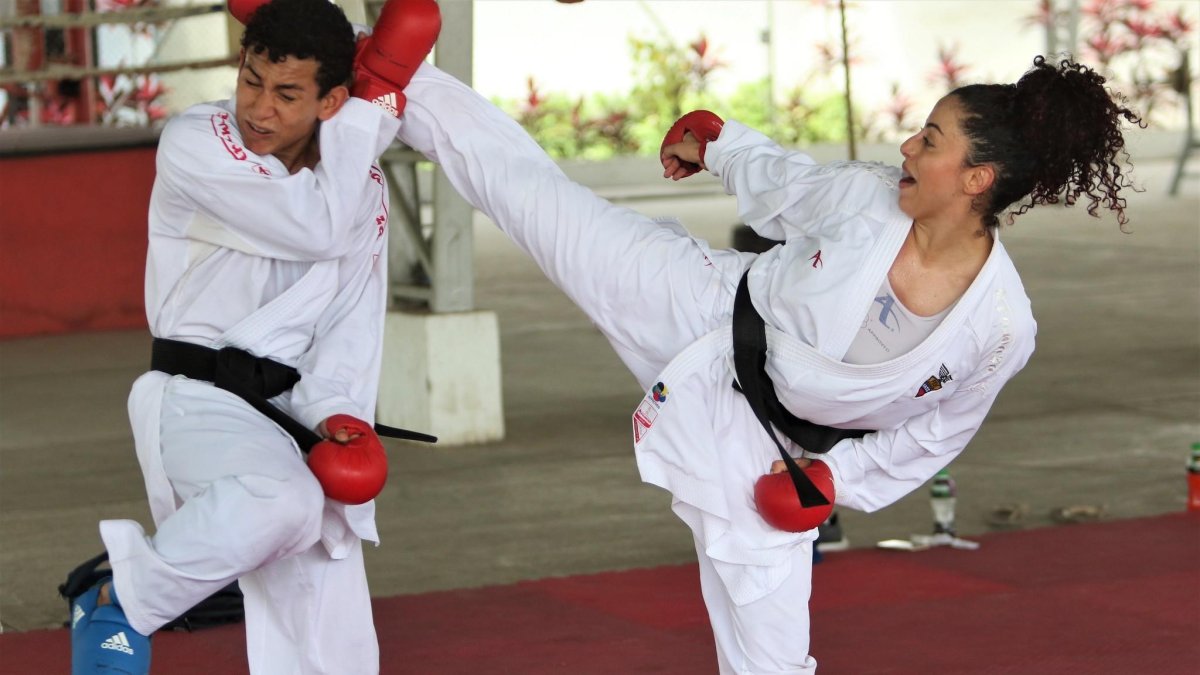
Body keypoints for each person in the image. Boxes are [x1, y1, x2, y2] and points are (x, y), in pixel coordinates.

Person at [392, 55, 1140, 673]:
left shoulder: (1002, 328)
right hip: (700, 306)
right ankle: (385, 68)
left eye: (931, 140)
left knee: (772, 654)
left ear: (978, 178)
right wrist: (718, 140)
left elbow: (940, 430)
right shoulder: (867, 198)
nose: (907, 146)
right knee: (535, 199)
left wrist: (837, 480)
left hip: (777, 452)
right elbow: (786, 183)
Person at [68, 0, 439, 673]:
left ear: (329, 100)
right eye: (251, 81)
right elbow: (315, 226)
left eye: (288, 93)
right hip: (194, 397)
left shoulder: (363, 185)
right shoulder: (197, 141)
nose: (260, 110)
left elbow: (352, 314)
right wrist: (370, 109)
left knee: (334, 634)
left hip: (292, 414)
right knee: (281, 499)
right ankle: (120, 595)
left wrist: (337, 410)